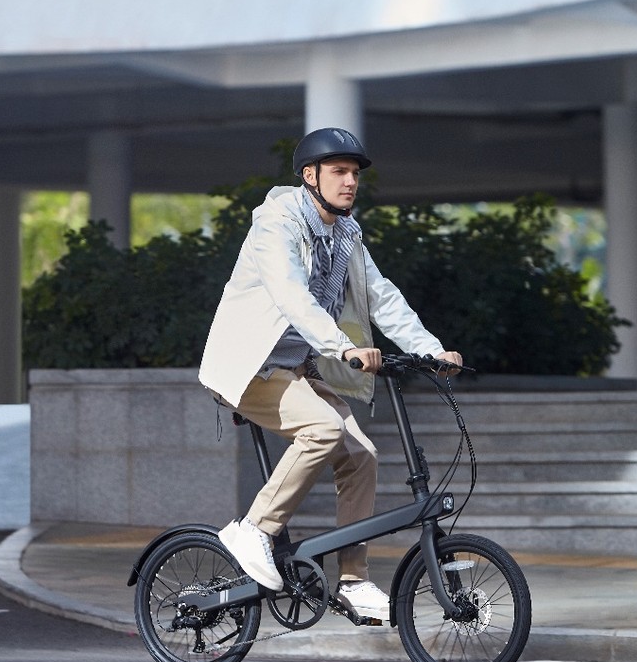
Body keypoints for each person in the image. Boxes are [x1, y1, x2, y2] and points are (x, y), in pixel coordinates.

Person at [198, 126, 462, 622]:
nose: (350, 182)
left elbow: (383, 296)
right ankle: (253, 528)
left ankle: (355, 580)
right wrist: (343, 346)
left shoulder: (346, 235)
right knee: (322, 429)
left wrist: (431, 352)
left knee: (361, 455)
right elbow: (291, 294)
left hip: (294, 368)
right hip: (249, 365)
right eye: (339, 172)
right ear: (309, 176)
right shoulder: (276, 223)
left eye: (355, 173)